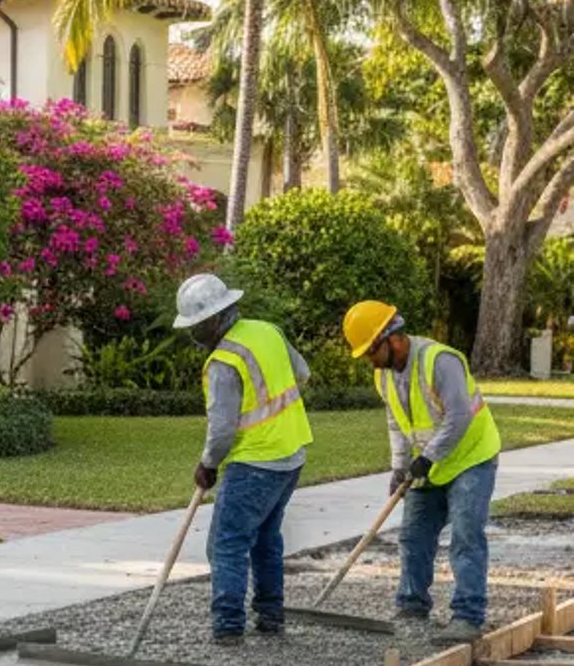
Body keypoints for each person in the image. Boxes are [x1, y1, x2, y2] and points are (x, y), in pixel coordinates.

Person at [343, 301, 501, 641]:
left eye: (371, 351)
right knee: (413, 535)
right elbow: (396, 422)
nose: (370, 360)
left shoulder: (439, 361)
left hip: (471, 458)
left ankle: (468, 617)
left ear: (392, 338)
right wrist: (399, 467)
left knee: (466, 535)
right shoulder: (383, 376)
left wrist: (427, 458)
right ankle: (412, 605)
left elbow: (458, 416)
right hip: (429, 463)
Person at [172, 273, 314, 645]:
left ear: (215, 318)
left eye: (196, 327)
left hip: (255, 461)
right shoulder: (267, 331)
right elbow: (303, 374)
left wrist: (208, 464)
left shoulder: (223, 361)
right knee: (266, 538)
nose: (193, 335)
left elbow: (221, 430)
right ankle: (270, 616)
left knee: (227, 542)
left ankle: (228, 625)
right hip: (292, 453)